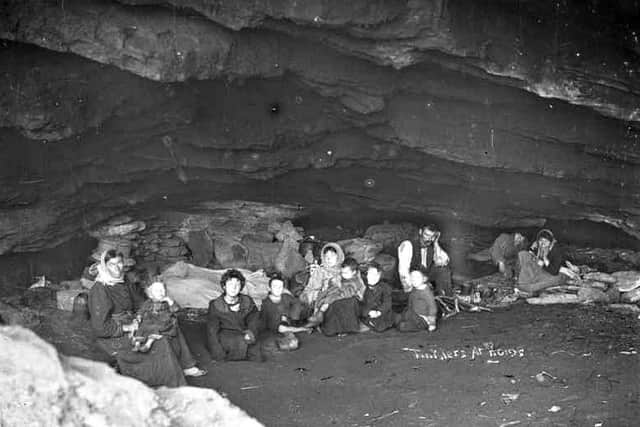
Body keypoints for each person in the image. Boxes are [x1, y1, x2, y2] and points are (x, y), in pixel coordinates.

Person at [88, 250, 203, 387]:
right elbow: (100, 327)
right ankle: (172, 381)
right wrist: (127, 327)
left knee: (169, 323)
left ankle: (186, 365)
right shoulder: (100, 289)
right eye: (112, 265)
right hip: (115, 332)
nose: (117, 267)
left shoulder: (123, 281)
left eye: (119, 263)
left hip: (134, 320)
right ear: (105, 266)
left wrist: (143, 314)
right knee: (159, 341)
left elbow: (139, 303)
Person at [131, 281, 207, 385]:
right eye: (157, 290)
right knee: (144, 328)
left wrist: (170, 301)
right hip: (151, 324)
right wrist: (138, 317)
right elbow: (141, 311)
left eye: (163, 290)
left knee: (171, 332)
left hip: (165, 324)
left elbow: (177, 310)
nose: (161, 292)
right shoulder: (148, 303)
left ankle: (187, 366)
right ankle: (138, 344)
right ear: (150, 293)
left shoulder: (167, 302)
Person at [206, 269, 262, 361]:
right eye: (230, 284)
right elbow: (212, 331)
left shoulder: (247, 301)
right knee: (238, 342)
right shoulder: (216, 305)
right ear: (224, 286)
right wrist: (217, 352)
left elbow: (254, 319)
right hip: (226, 335)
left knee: (257, 355)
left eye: (237, 285)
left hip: (244, 332)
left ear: (241, 287)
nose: (234, 288)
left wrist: (251, 332)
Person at [306, 257, 365, 326]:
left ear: (354, 272)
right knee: (323, 295)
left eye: (346, 273)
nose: (343, 275)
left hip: (348, 300)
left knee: (330, 301)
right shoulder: (343, 277)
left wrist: (330, 299)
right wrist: (333, 282)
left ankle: (320, 315)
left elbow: (346, 294)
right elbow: (334, 285)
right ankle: (317, 314)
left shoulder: (355, 282)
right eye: (342, 272)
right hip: (338, 294)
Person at [398, 224, 453, 296]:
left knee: (443, 270)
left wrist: (436, 243)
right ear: (420, 232)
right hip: (412, 279)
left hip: (425, 277)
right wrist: (409, 290)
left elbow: (443, 262)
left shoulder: (432, 245)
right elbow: (403, 271)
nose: (428, 239)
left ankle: (446, 298)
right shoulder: (408, 245)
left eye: (432, 236)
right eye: (426, 235)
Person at [259, 273, 309, 352]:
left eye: (280, 287)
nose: (278, 289)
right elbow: (279, 327)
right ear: (270, 288)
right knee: (292, 342)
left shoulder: (285, 297)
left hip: (287, 323)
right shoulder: (266, 303)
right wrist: (302, 329)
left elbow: (296, 303)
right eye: (275, 286)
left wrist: (290, 316)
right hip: (274, 329)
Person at [516, 229, 567, 293]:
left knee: (554, 279)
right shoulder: (536, 245)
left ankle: (529, 285)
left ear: (550, 242)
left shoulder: (556, 251)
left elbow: (554, 271)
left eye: (546, 241)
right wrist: (532, 252)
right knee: (522, 254)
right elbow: (530, 256)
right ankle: (524, 280)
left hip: (551, 272)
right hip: (537, 269)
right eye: (541, 241)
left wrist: (544, 260)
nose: (543, 243)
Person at [299, 243, 345, 308]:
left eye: (332, 255)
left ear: (338, 256)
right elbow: (306, 293)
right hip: (320, 303)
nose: (329, 259)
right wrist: (317, 293)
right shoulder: (319, 271)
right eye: (326, 256)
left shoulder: (345, 271)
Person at [395, 266, 438, 332]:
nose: (414, 280)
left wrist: (432, 323)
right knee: (399, 317)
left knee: (402, 326)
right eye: (412, 277)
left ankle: (407, 325)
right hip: (413, 314)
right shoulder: (415, 289)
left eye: (417, 277)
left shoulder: (426, 292)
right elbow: (410, 302)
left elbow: (432, 307)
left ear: (424, 279)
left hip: (422, 318)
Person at [359, 262, 394, 332]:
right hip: (369, 314)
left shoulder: (385, 287)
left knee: (382, 324)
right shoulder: (363, 288)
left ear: (380, 276)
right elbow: (362, 304)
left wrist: (379, 312)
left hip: (381, 313)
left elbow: (387, 303)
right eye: (370, 274)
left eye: (376, 275)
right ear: (366, 275)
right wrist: (368, 312)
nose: (373, 277)